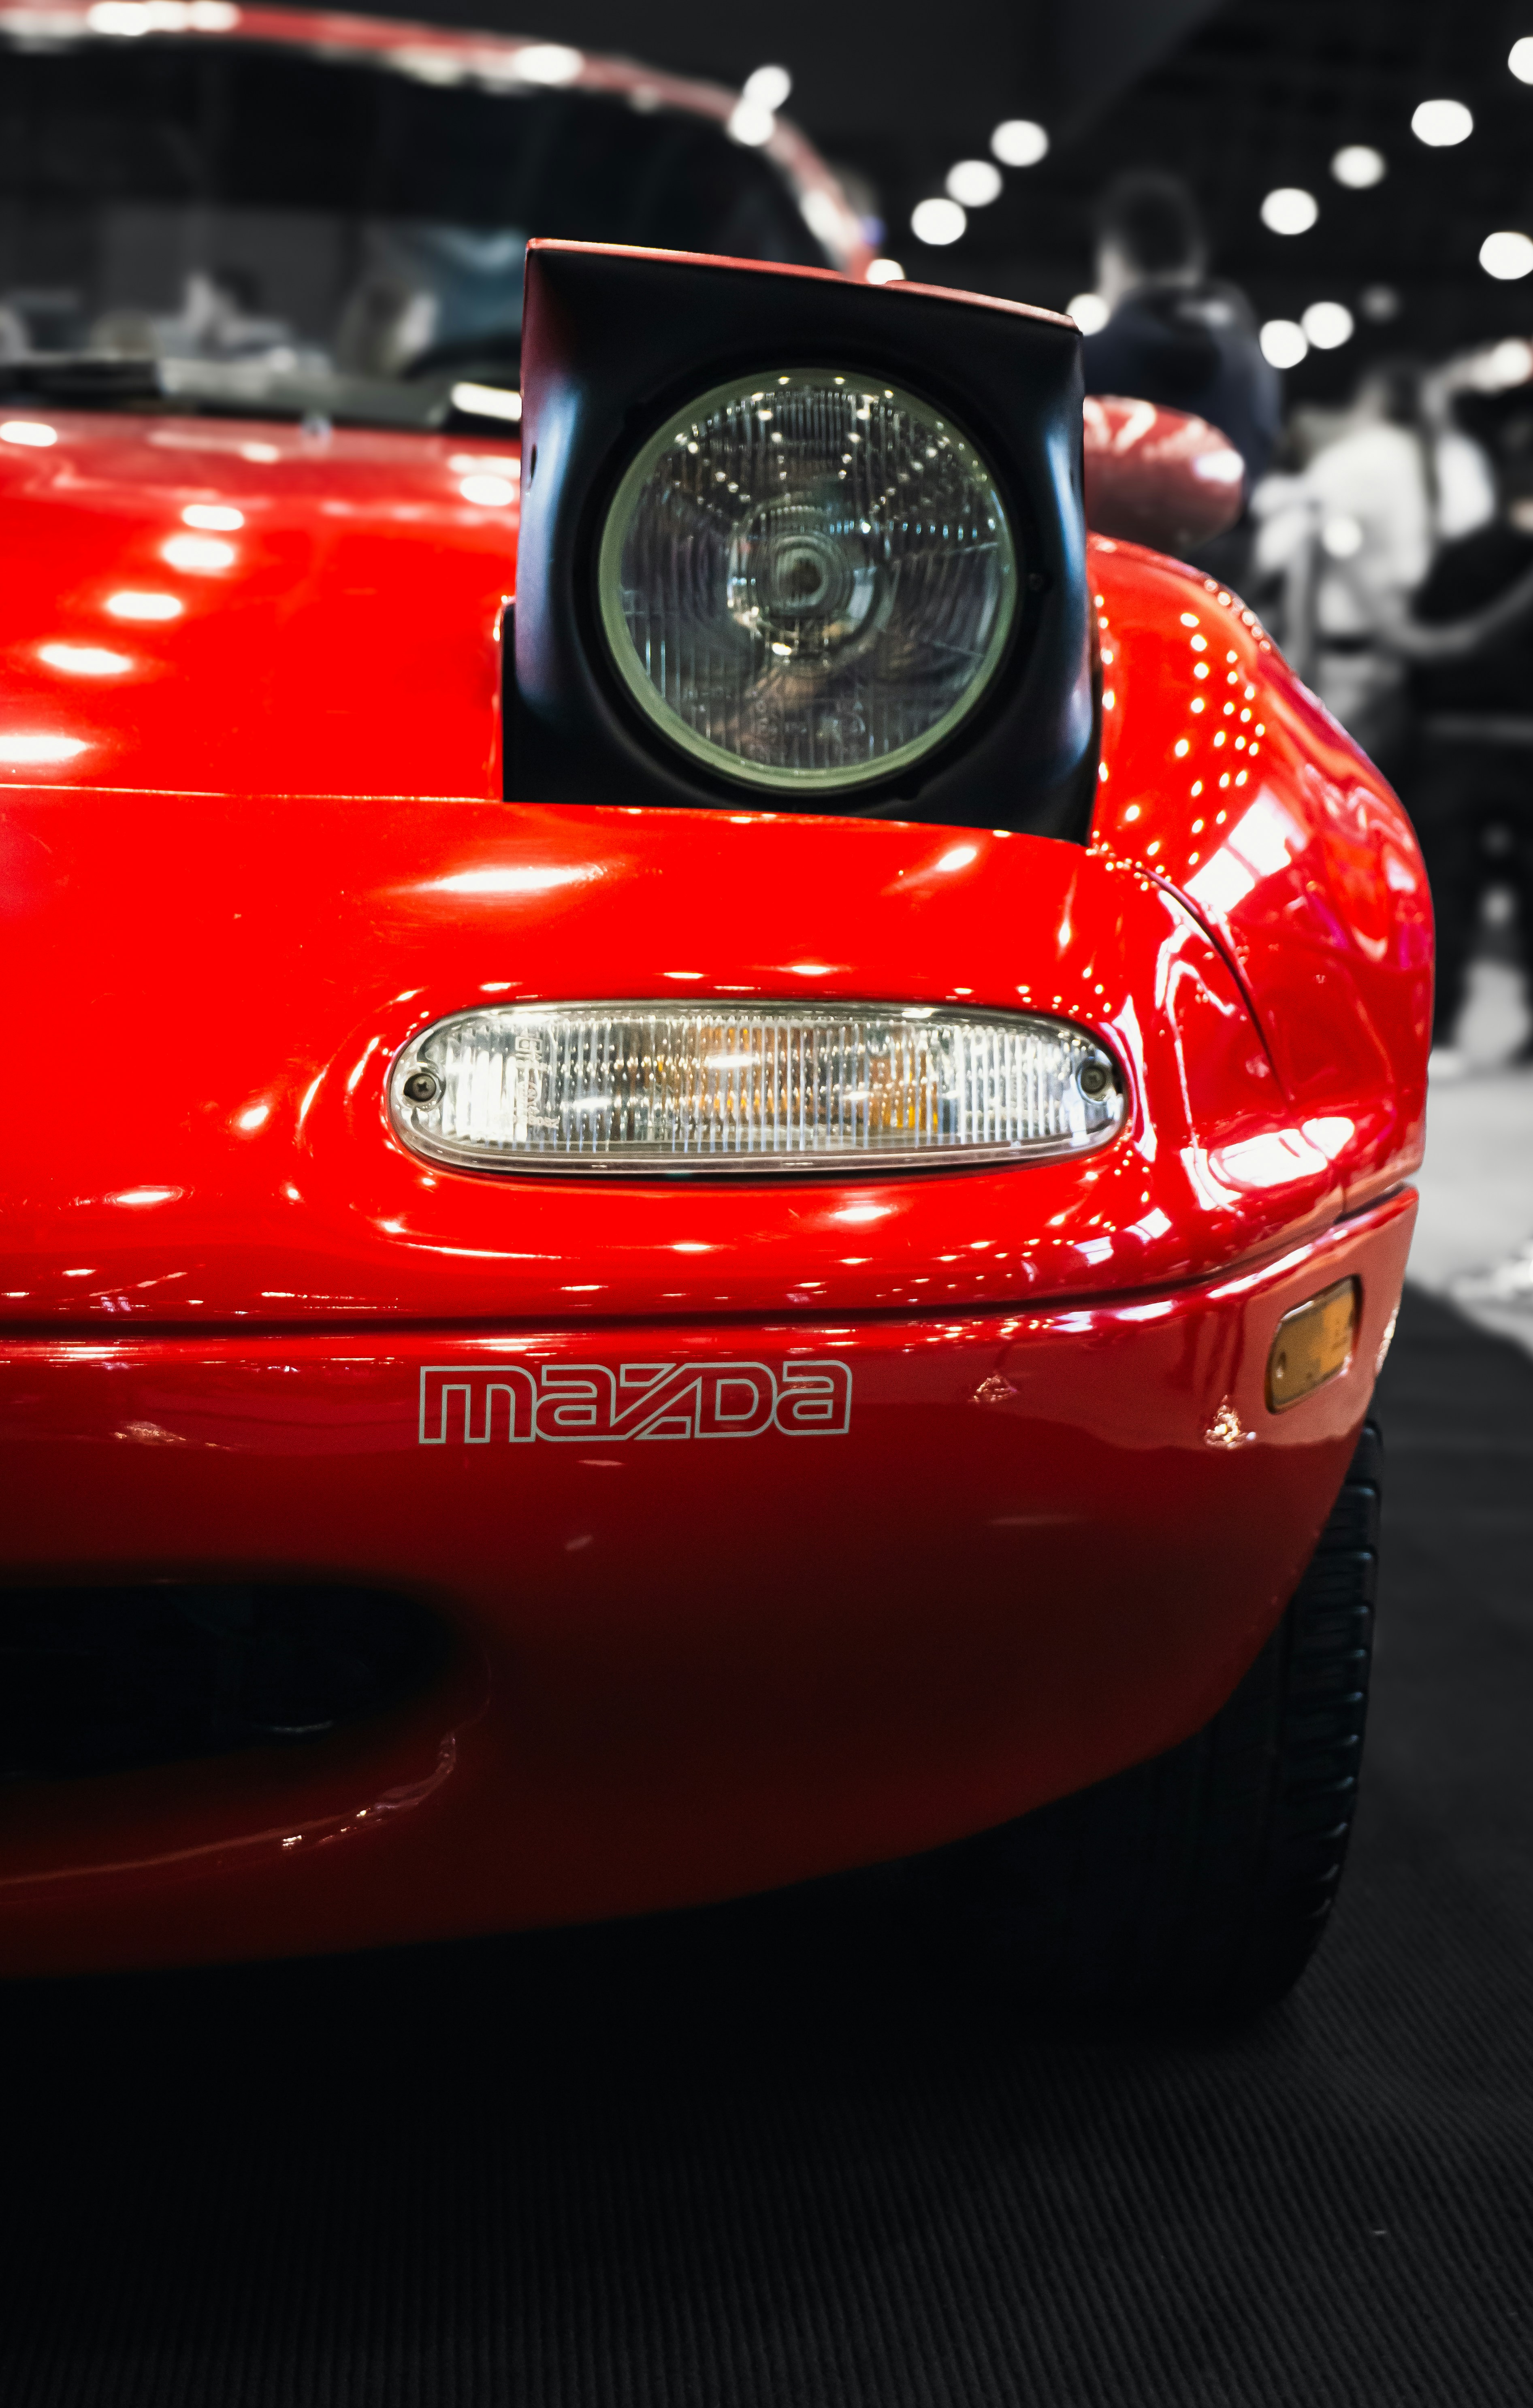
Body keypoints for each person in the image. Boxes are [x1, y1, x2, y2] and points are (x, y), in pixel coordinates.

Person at [1082, 170, 1281, 501]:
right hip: (1231, 550)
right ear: (1196, 257)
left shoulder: (1086, 359)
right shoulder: (1252, 362)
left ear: (1114, 255)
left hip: (1109, 551)